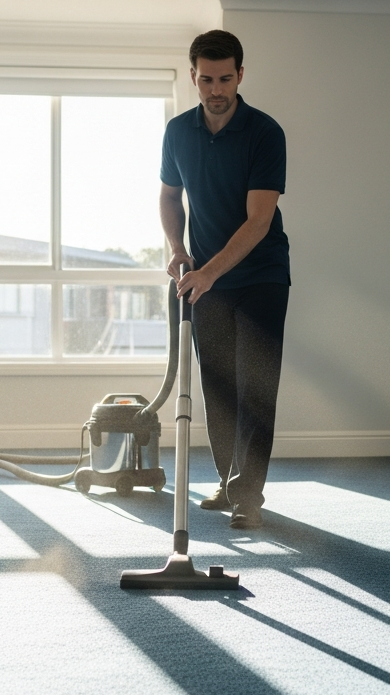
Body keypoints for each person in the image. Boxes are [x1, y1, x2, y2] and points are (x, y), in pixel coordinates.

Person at [159, 30, 290, 530]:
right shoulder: (177, 132)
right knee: (216, 383)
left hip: (260, 275)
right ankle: (226, 479)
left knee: (255, 384)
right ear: (194, 77)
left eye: (226, 78)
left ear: (240, 74)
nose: (216, 89)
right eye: (207, 79)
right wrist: (178, 251)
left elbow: (259, 221)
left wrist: (209, 272)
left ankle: (249, 494)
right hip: (205, 277)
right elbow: (170, 197)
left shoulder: (264, 132)